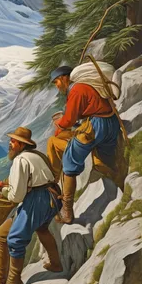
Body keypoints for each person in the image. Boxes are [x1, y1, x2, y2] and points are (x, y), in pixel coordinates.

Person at [47, 65, 120, 224]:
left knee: (69, 163)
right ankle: (119, 181)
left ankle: (67, 211)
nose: (56, 86)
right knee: (104, 159)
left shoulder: (77, 90)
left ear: (64, 78)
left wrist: (59, 127)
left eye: (56, 82)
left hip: (95, 127)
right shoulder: (88, 86)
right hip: (111, 124)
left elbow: (69, 119)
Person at [0, 127, 63, 284]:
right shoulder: (37, 155)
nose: (10, 144)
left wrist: (4, 191)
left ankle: (14, 282)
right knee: (42, 229)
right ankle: (56, 264)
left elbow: (16, 196)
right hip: (53, 196)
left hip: (38, 199)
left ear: (21, 144)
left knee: (15, 239)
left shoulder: (20, 160)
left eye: (13, 141)